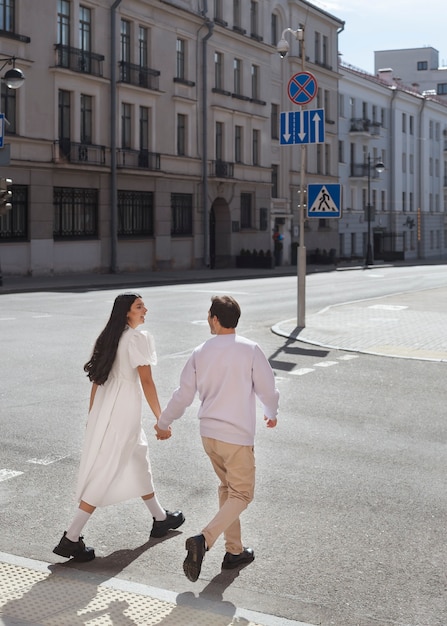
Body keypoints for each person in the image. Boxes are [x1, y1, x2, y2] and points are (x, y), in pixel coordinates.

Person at [155, 295, 279, 582]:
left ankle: (234, 551)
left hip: (209, 434)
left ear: (214, 318)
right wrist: (271, 412)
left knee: (228, 489)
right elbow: (267, 387)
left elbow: (183, 394)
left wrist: (164, 423)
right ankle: (204, 539)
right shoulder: (250, 349)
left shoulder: (201, 351)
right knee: (242, 494)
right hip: (236, 436)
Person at [53, 293, 184, 562]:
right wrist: (161, 420)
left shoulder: (110, 337)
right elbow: (147, 381)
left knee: (139, 458)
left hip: (108, 408)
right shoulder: (137, 338)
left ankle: (160, 518)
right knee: (107, 470)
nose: (145, 309)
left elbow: (97, 381)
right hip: (124, 410)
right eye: (139, 307)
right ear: (127, 313)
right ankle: (71, 537)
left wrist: (94, 417)